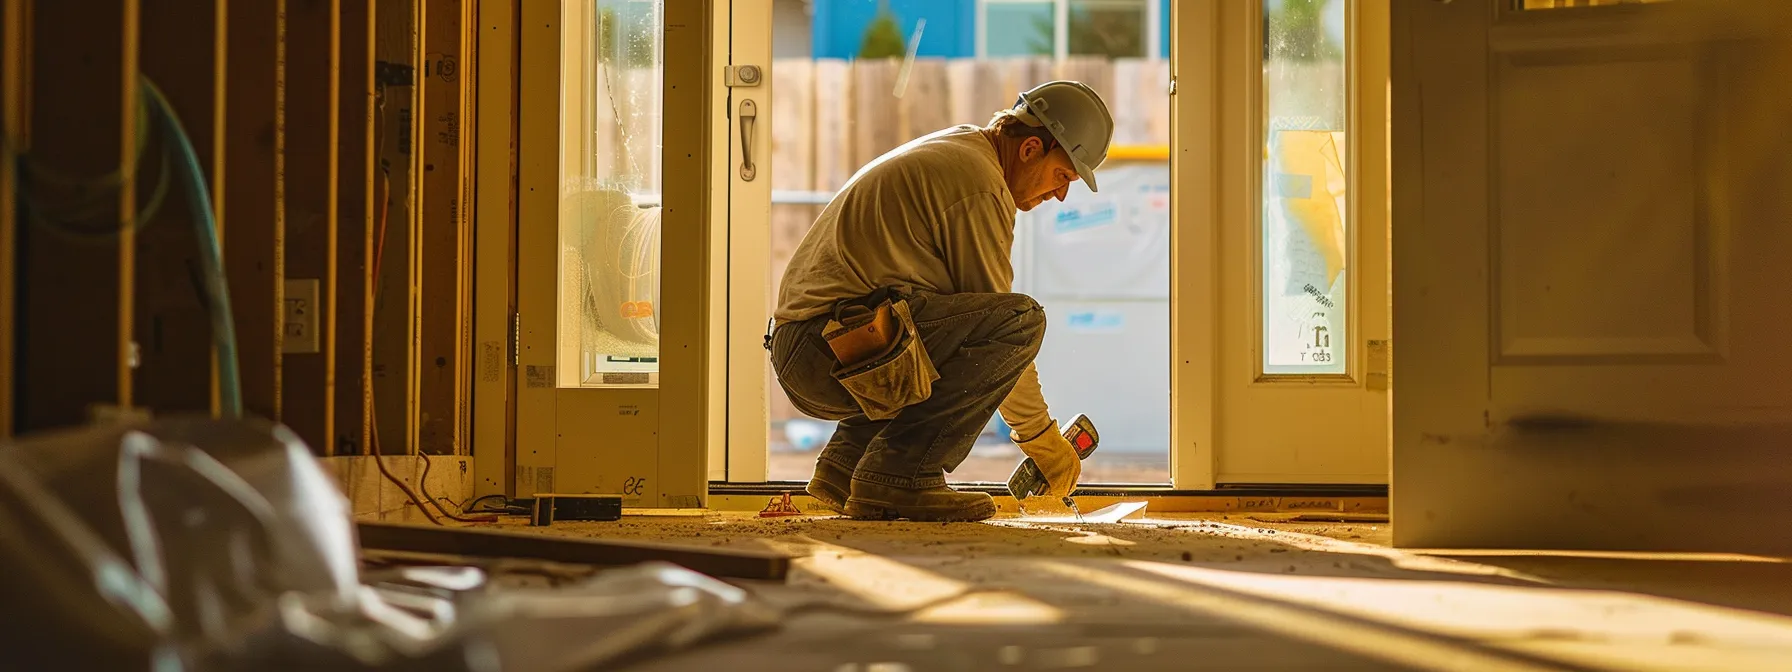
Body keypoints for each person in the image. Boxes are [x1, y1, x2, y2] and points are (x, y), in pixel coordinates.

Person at [767, 81, 1114, 522]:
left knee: (944, 326)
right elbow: (1004, 330)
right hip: (826, 349)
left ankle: (846, 467)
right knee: (1020, 322)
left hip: (818, 344)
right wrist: (1044, 442)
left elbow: (955, 327)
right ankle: (902, 477)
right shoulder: (979, 186)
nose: (1061, 194)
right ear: (1030, 149)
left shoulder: (965, 151)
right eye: (1062, 176)